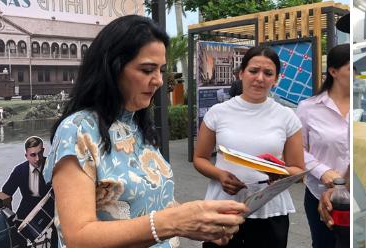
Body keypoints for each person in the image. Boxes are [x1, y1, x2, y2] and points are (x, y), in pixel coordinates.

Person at [46, 15, 246, 247]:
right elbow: (78, 236)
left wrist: (199, 221)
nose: (159, 80)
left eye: (161, 70)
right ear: (112, 68)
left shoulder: (138, 125)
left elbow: (155, 205)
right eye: (147, 69)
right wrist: (174, 223)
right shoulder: (78, 130)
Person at [192, 45, 305, 247]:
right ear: (241, 73)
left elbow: (298, 170)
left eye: (268, 73)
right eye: (253, 71)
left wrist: (281, 173)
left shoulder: (287, 117)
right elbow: (200, 158)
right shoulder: (218, 112)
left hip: (269, 210)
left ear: (276, 79)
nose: (260, 78)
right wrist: (220, 175)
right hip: (223, 206)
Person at [297, 44, 350, 248]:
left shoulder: (361, 105)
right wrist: (322, 171)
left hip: (356, 193)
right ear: (333, 71)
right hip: (319, 193)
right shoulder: (309, 108)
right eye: (351, 68)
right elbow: (297, 150)